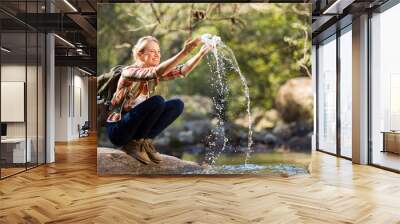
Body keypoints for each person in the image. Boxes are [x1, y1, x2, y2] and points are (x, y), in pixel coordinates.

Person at [106, 36, 211, 164]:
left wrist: (201, 53)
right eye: (152, 51)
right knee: (157, 101)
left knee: (177, 104)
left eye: (159, 51)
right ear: (140, 54)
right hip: (119, 130)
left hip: (134, 127)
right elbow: (156, 72)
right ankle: (134, 144)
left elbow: (182, 71)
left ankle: (145, 142)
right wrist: (185, 52)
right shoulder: (129, 72)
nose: (157, 55)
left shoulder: (154, 75)